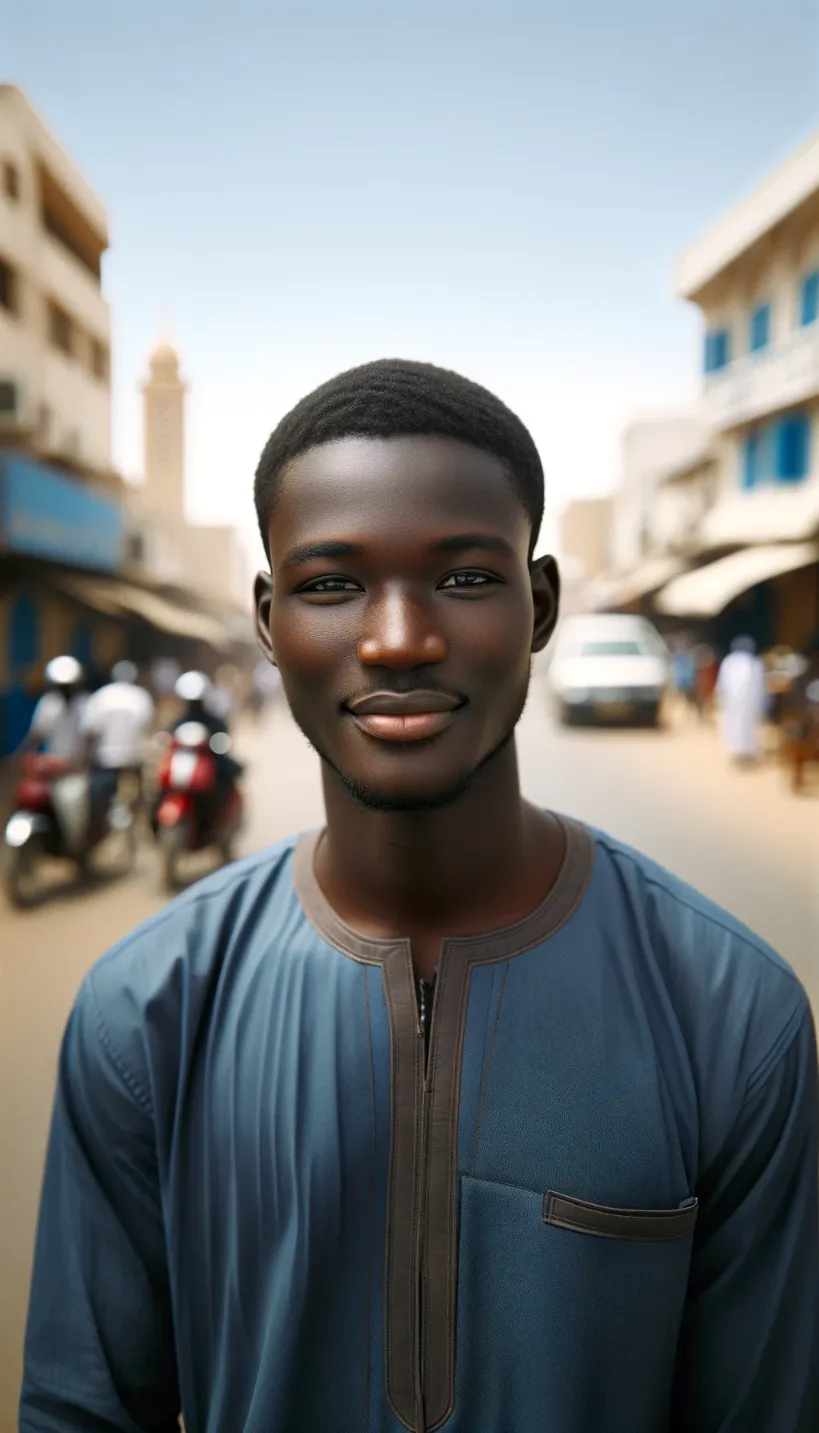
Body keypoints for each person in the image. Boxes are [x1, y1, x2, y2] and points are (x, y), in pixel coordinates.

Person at [21, 360, 818, 1432]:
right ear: (267, 618)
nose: (398, 638)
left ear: (539, 604)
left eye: (465, 578)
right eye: (332, 583)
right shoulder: (146, 1014)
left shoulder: (732, 1018)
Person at [79, 661, 155, 820]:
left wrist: (83, 757)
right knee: (135, 802)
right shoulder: (140, 696)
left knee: (101, 806)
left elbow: (90, 730)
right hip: (132, 759)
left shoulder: (101, 696)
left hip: (104, 760)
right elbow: (148, 726)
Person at [19, 656, 89, 763]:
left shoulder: (86, 703)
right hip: (54, 766)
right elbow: (37, 734)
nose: (65, 691)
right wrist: (21, 756)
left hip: (81, 767)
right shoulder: (48, 703)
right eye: (61, 687)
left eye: (68, 687)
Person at [716, 635, 768, 764]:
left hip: (740, 703)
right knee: (741, 727)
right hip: (745, 703)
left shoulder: (732, 662)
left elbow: (721, 684)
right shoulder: (753, 663)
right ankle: (741, 752)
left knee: (742, 727)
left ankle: (743, 752)